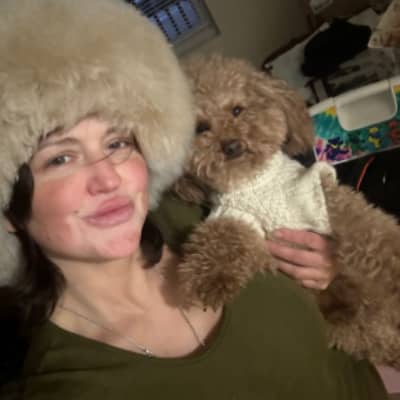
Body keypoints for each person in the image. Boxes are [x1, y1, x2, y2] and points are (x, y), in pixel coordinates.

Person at [0, 0, 388, 399]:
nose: (108, 178)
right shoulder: (62, 383)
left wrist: (330, 267)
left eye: (116, 143)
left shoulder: (198, 206)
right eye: (61, 158)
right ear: (9, 206)